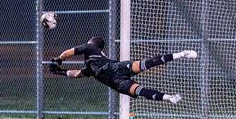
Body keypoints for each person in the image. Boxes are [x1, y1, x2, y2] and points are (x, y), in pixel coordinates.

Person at [49, 37, 197, 103]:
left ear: (92, 43)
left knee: (146, 67)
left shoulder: (90, 48)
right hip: (117, 77)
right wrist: (60, 71)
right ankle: (169, 97)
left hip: (114, 70)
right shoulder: (91, 66)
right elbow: (77, 74)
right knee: (141, 90)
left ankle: (181, 54)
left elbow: (68, 52)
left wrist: (58, 60)